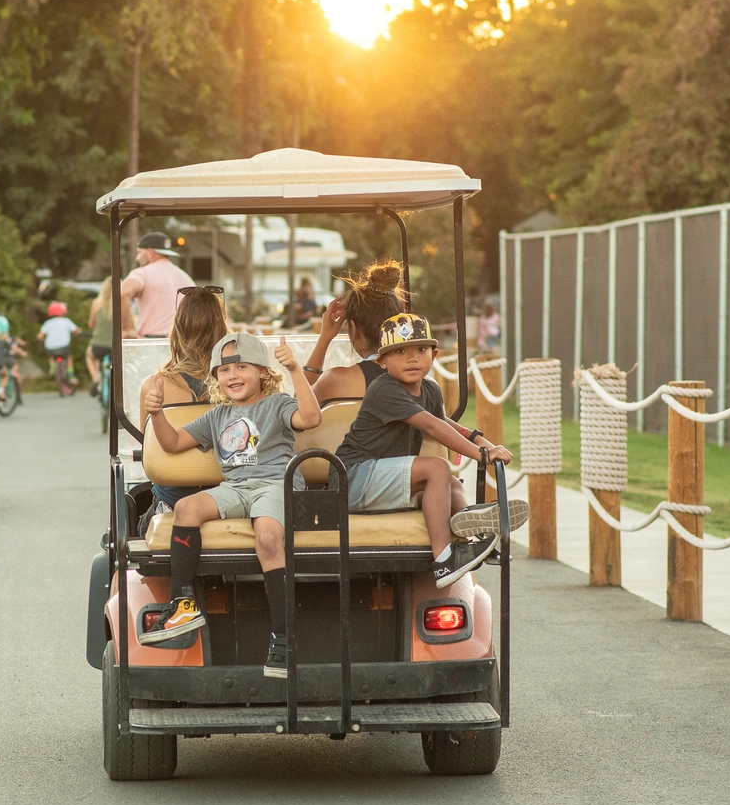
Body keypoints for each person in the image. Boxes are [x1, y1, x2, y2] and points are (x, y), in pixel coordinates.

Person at [140, 332, 322, 680]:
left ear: (263, 372)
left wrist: (296, 368)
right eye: (224, 370)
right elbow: (174, 442)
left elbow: (311, 419)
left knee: (268, 538)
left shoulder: (277, 404)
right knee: (186, 509)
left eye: (242, 367)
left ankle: (284, 638)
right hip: (237, 487)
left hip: (275, 483)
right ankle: (183, 603)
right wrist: (156, 413)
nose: (233, 376)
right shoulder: (216, 416)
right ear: (216, 378)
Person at [333, 312, 529, 589]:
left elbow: (442, 422)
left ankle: (479, 538)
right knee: (437, 467)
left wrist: (477, 438)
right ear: (382, 361)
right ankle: (444, 560)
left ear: (434, 355)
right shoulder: (383, 389)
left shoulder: (429, 389)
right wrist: (482, 455)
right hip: (352, 479)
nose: (412, 358)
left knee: (451, 486)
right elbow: (432, 427)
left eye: (421, 350)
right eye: (400, 352)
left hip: (382, 481)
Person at [137, 285, 229, 513]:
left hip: (172, 504)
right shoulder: (237, 383)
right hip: (226, 499)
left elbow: (148, 449)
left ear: (178, 330)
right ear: (222, 328)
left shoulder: (154, 385)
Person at [300, 258, 407, 402]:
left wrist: (324, 338)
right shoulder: (422, 381)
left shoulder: (336, 380)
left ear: (354, 327)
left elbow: (300, 405)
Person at [120, 231, 193, 338]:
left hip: (151, 342)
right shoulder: (185, 278)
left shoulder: (143, 273)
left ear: (150, 253)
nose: (137, 258)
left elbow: (123, 293)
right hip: (180, 341)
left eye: (139, 252)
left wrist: (127, 329)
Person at [38, 301, 80, 389]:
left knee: (52, 356)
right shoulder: (66, 321)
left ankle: (52, 369)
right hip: (63, 347)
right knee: (68, 357)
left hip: (51, 347)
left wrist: (42, 340)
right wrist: (78, 332)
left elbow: (40, 336)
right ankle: (71, 375)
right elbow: (76, 330)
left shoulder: (48, 323)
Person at [85, 277, 115, 392]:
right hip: (114, 347)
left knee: (89, 355)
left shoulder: (96, 304)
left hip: (98, 346)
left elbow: (91, 324)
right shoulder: (121, 304)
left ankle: (95, 379)